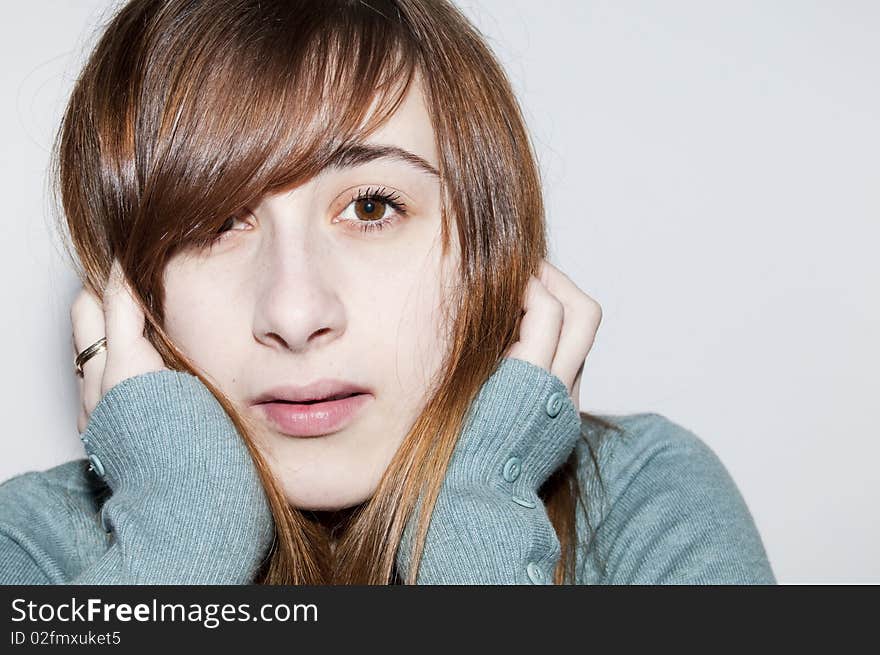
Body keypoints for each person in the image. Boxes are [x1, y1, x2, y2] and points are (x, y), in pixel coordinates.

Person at [0, 0, 775, 585]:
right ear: (125, 292)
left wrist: (469, 512)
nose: (295, 313)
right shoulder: (32, 546)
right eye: (216, 222)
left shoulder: (642, 499)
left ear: (488, 245)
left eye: (371, 206)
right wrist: (178, 547)